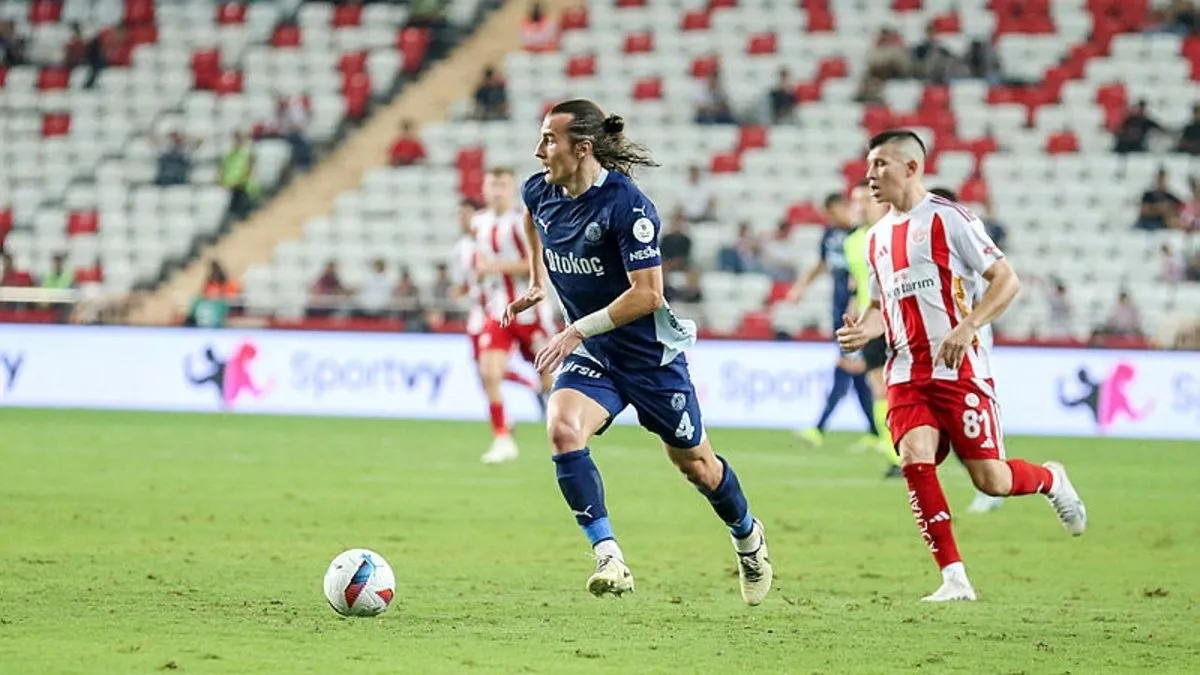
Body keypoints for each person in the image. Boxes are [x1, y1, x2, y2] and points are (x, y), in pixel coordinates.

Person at [503, 99, 772, 604]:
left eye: (549, 140)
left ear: (582, 149)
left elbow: (647, 294)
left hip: (651, 359)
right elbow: (530, 221)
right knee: (562, 429)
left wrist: (575, 329)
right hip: (597, 355)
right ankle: (608, 555)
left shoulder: (628, 206)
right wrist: (538, 283)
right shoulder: (540, 190)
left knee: (696, 465)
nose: (539, 151)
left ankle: (748, 537)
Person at [836, 130, 1086, 602]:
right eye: (868, 165)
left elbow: (1006, 281)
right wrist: (862, 330)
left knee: (992, 479)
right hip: (907, 371)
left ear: (911, 168)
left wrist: (969, 325)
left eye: (880, 164)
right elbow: (877, 306)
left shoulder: (950, 220)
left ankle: (1051, 477)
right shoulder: (875, 240)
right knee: (914, 458)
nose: (870, 175)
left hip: (960, 371)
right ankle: (954, 577)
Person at [927, 187, 1004, 514]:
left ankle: (992, 481)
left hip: (966, 337)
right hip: (938, 340)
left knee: (958, 418)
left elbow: (996, 284)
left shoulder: (963, 237)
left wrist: (969, 326)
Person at [471, 167, 556, 464]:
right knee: (488, 373)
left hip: (530, 311)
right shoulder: (478, 222)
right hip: (498, 310)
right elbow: (481, 267)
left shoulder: (522, 221)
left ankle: (560, 421)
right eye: (492, 184)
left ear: (511, 189)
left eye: (503, 185)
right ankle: (502, 437)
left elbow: (536, 266)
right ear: (484, 188)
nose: (497, 190)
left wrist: (495, 267)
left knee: (548, 374)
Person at [788, 193, 880, 452]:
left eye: (830, 212)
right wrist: (801, 287)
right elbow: (821, 263)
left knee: (847, 367)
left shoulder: (860, 235)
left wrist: (856, 303)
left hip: (858, 311)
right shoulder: (831, 235)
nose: (828, 218)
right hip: (839, 309)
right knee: (860, 373)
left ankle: (819, 428)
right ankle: (876, 432)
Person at [842, 181, 898, 477]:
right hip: (871, 325)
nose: (860, 205)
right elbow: (855, 286)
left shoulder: (895, 232)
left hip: (901, 322)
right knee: (879, 389)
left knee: (905, 391)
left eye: (866, 199)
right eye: (855, 200)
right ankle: (895, 457)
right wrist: (852, 327)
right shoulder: (852, 242)